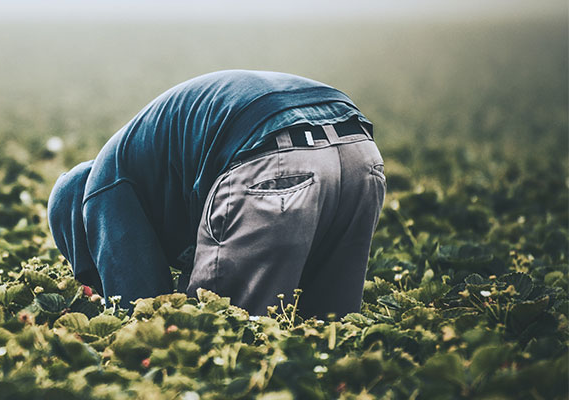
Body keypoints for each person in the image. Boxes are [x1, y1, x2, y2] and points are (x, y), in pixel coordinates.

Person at [48, 70, 386, 317]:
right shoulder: (142, 160)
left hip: (271, 159)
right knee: (329, 326)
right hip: (359, 152)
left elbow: (145, 307)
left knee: (218, 332)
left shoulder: (102, 187)